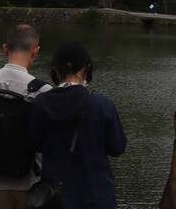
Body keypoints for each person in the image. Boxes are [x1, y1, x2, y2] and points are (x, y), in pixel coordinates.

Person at [29, 42, 126, 209]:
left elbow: (34, 144)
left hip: (56, 196)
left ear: (55, 70)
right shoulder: (101, 104)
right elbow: (117, 147)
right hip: (96, 195)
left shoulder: (41, 103)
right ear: (86, 69)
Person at [0, 24, 52, 209]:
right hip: (29, 184)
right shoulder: (43, 91)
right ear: (35, 51)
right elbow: (47, 142)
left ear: (5, 49)